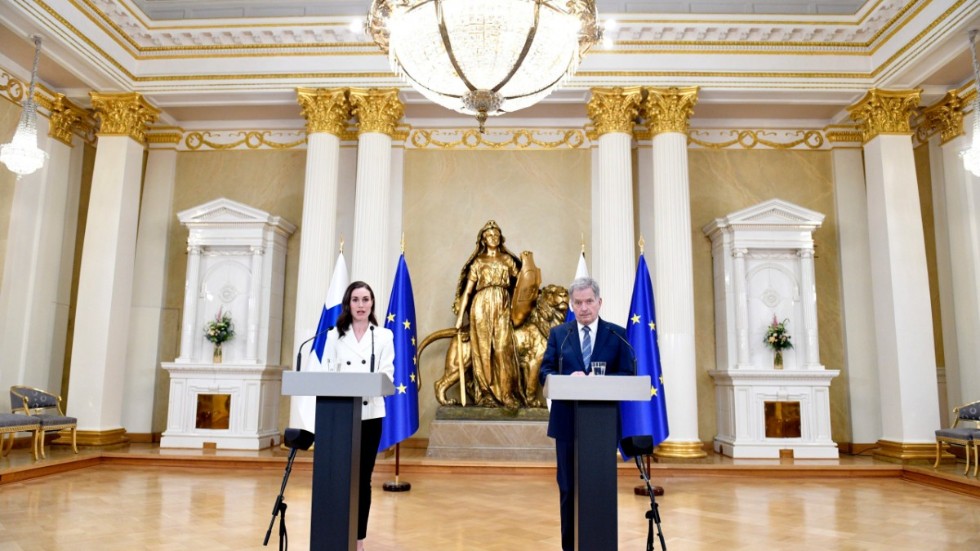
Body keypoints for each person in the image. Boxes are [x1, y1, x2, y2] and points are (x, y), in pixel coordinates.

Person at [538, 277, 633, 551]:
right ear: (571, 304)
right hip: (567, 424)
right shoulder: (560, 334)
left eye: (589, 301)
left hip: (601, 427)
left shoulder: (617, 335)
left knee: (598, 489)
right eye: (578, 303)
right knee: (568, 489)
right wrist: (569, 377)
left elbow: (627, 374)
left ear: (599, 302)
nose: (584, 308)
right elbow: (544, 372)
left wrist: (600, 380)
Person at [319, 281, 395, 551]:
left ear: (372, 303)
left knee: (362, 479)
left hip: (371, 414)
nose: (361, 305)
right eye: (355, 300)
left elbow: (388, 375)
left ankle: (358, 538)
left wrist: (371, 382)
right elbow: (325, 374)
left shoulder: (384, 336)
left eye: (366, 299)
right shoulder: (333, 336)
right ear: (347, 304)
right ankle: (335, 532)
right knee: (338, 476)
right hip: (339, 416)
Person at [453, 220, 523, 408]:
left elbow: (522, 283)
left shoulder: (507, 260)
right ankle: (486, 394)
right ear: (483, 239)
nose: (494, 238)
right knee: (482, 350)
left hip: (502, 302)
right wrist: (460, 317)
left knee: (502, 348)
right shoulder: (478, 262)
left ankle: (506, 393)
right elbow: (468, 291)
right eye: (490, 235)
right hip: (481, 304)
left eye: (497, 235)